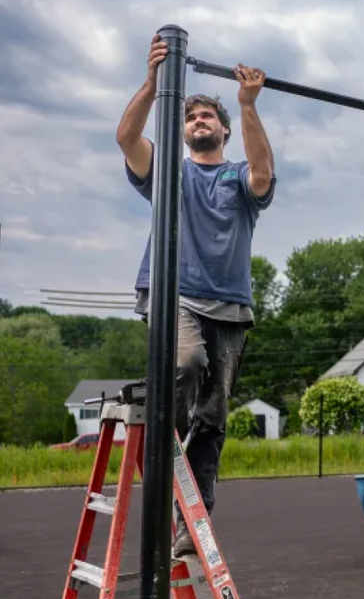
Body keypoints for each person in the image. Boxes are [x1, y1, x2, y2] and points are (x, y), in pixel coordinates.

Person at [116, 34, 277, 558]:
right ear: (182, 131)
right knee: (185, 363)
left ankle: (194, 513)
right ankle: (165, 456)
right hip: (174, 295)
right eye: (191, 117)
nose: (199, 121)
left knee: (213, 417)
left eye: (208, 116)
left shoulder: (236, 177)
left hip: (229, 305)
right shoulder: (168, 173)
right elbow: (126, 138)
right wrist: (152, 85)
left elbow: (263, 172)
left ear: (223, 129)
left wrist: (249, 105)